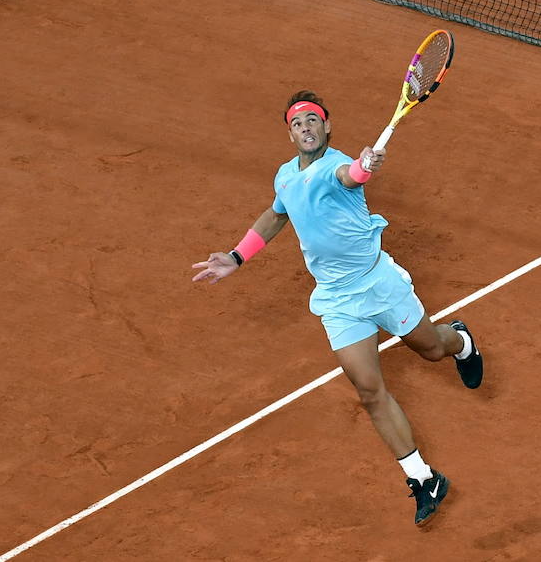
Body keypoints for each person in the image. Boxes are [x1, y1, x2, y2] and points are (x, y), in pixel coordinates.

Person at [192, 90, 482, 527]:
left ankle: (460, 342)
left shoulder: (335, 166)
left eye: (313, 120)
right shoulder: (285, 177)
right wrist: (236, 257)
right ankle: (424, 478)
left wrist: (365, 166)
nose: (305, 127)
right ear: (290, 134)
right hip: (337, 300)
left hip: (379, 285)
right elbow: (276, 216)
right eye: (297, 123)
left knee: (430, 349)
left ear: (327, 127)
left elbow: (352, 175)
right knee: (368, 390)